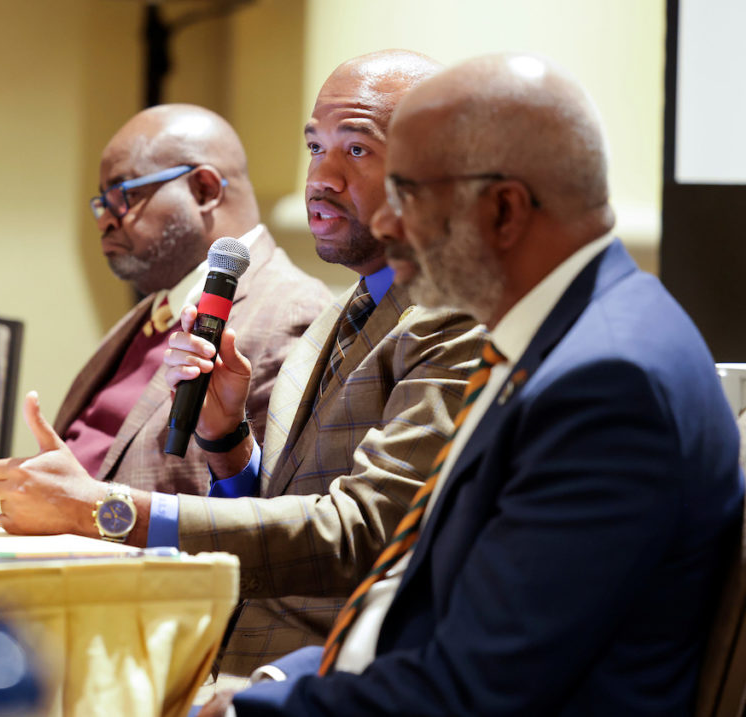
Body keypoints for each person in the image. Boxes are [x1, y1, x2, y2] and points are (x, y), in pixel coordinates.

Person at [200, 52, 745, 716]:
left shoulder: (607, 382)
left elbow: (477, 689)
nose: (387, 224)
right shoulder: (555, 336)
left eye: (408, 195)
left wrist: (241, 712)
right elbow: (424, 611)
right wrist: (282, 682)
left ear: (504, 210)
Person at [0, 51, 486, 678]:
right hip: (226, 656)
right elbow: (286, 497)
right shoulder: (347, 305)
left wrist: (100, 510)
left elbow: (363, 531)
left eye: (355, 150)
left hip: (313, 677)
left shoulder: (454, 314)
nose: (320, 177)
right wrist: (226, 437)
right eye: (314, 147)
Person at [54, 103, 329, 494]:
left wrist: (83, 508)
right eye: (102, 202)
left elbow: (271, 516)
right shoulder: (159, 308)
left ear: (204, 190)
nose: (105, 220)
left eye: (121, 195)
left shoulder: (291, 312)